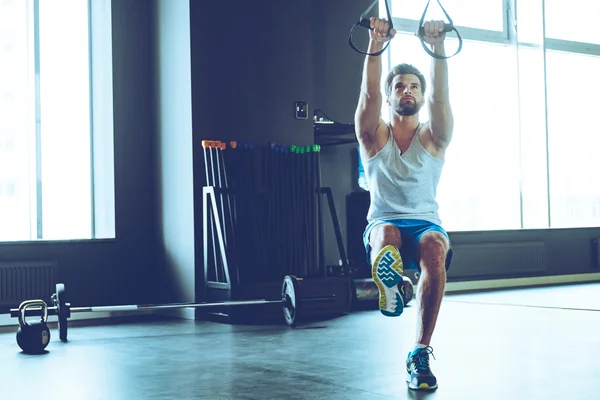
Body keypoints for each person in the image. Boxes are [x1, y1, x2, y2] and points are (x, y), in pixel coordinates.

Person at [354, 17, 454, 391]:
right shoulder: (373, 137)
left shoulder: (434, 138)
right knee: (386, 232)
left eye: (414, 86)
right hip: (384, 226)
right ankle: (392, 286)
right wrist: (376, 42)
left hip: (427, 224)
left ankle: (420, 352)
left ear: (421, 96)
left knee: (433, 245)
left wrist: (437, 47)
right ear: (391, 96)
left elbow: (441, 96)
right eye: (399, 86)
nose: (407, 91)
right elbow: (367, 96)